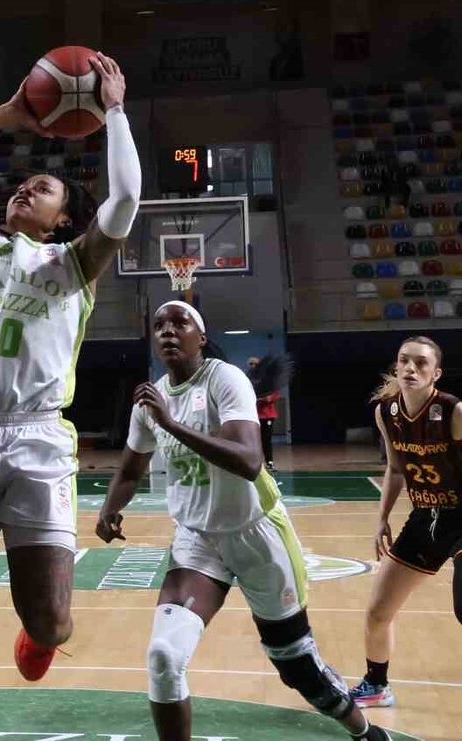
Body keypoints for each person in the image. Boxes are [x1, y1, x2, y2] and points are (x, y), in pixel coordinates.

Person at [0, 52, 141, 679]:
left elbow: (125, 200)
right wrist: (12, 113)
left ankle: (37, 637)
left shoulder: (73, 265)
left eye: (42, 189)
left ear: (64, 218)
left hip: (40, 437)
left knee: (51, 621)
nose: (23, 188)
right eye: (21, 184)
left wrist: (114, 111)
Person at [97, 301, 388, 741]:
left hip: (257, 534)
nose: (168, 331)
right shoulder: (150, 400)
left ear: (201, 337)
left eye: (180, 323)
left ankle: (363, 729)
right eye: (159, 325)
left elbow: (250, 462)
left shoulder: (223, 380)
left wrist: (171, 425)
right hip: (197, 539)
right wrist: (109, 509)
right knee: (163, 656)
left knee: (297, 667)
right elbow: (131, 469)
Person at [349, 336, 462, 710]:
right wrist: (381, 518)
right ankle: (376, 685)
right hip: (426, 517)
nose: (411, 368)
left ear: (436, 373)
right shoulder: (386, 412)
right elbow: (396, 468)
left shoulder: (453, 411)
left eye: (420, 363)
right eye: (404, 361)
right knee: (379, 610)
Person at [246, 356, 281, 470]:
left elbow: (275, 395)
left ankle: (269, 463)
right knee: (254, 440)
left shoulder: (267, 379)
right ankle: (256, 463)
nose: (253, 366)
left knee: (266, 440)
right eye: (251, 364)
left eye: (255, 364)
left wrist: (269, 398)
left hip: (267, 415)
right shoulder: (247, 380)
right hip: (253, 415)